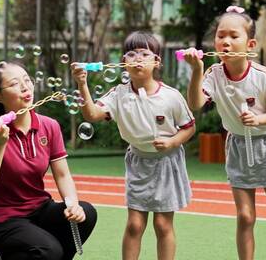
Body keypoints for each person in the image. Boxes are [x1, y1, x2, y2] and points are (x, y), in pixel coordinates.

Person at [183, 6, 266, 260]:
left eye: (233, 36)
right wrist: (195, 71)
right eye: (220, 35)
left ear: (250, 44)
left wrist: (258, 119)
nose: (225, 41)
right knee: (245, 216)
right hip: (238, 146)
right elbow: (195, 103)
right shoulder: (213, 74)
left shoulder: (262, 75)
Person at [71, 31, 195, 260]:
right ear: (123, 62)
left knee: (162, 224)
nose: (137, 58)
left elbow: (189, 127)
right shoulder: (119, 94)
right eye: (130, 54)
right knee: (135, 225)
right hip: (138, 162)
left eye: (144, 53)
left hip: (167, 162)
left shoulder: (171, 96)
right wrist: (82, 83)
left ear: (156, 62)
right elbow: (91, 114)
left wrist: (171, 142)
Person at [0, 60, 97, 260]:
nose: (25, 87)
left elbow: (63, 174)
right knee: (49, 251)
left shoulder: (49, 126)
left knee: (87, 213)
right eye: (14, 84)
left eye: (26, 80)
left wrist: (72, 204)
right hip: (2, 220)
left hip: (39, 209)